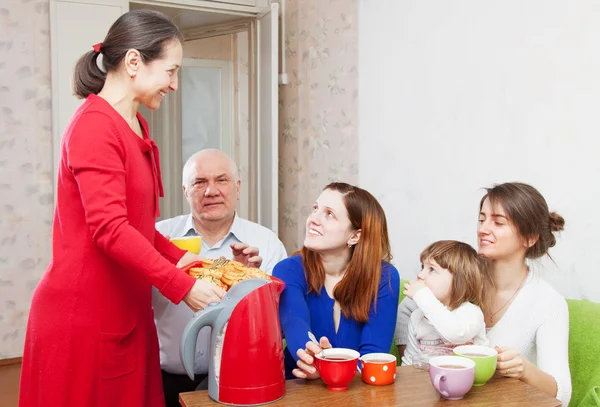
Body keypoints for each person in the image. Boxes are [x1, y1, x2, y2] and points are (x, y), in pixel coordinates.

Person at [19, 10, 229, 407]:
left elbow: (139, 228)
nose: (175, 84)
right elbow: (110, 230)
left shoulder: (135, 125)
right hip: (84, 317)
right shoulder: (95, 126)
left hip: (124, 312)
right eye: (170, 71)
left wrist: (188, 262)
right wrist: (180, 286)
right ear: (134, 62)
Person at [395, 182, 571, 404]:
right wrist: (417, 360)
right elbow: (409, 306)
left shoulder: (548, 303)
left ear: (529, 238)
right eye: (481, 219)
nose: (482, 229)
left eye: (498, 222)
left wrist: (523, 369)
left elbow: (562, 394)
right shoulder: (460, 276)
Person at [153, 149, 287, 407]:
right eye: (199, 182)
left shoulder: (266, 243)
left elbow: (277, 324)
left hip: (240, 384)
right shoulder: (159, 236)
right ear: (185, 191)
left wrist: (246, 281)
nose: (210, 191)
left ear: (238, 188)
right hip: (163, 383)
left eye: (221, 180)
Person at [273, 182, 400, 379]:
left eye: (329, 214)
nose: (313, 219)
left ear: (355, 235)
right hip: (296, 388)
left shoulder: (385, 277)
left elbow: (374, 354)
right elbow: (294, 322)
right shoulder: (288, 269)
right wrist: (312, 358)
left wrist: (329, 371)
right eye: (315, 209)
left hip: (357, 391)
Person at [402, 240, 489, 366]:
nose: (420, 275)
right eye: (422, 267)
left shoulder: (471, 312)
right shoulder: (417, 317)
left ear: (459, 280)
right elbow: (410, 361)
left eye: (431, 269)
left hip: (470, 383)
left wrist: (423, 296)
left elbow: (456, 334)